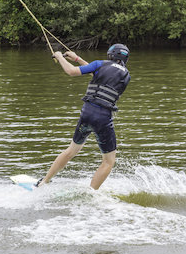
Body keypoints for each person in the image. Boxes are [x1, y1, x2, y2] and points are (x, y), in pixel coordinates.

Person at [38, 44, 131, 190]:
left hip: (86, 114)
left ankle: (44, 181)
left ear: (110, 55)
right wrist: (76, 58)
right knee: (108, 161)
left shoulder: (100, 64)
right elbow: (101, 74)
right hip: (103, 119)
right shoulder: (126, 76)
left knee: (71, 151)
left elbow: (72, 71)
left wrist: (60, 56)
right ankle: (91, 193)